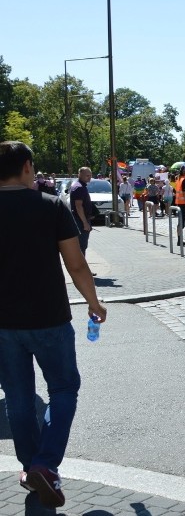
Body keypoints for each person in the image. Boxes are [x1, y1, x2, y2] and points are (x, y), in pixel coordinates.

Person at [0, 141, 107, 508]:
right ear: (28, 167)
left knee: (17, 400)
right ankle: (45, 465)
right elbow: (76, 265)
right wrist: (94, 302)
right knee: (63, 390)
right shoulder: (50, 206)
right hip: (49, 317)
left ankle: (32, 467)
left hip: (3, 324)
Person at [68, 167, 94, 256]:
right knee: (81, 246)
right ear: (80, 175)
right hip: (80, 221)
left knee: (82, 246)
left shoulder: (79, 186)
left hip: (80, 220)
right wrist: (85, 223)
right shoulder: (79, 187)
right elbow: (78, 206)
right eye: (87, 175)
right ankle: (82, 267)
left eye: (90, 175)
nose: (89, 177)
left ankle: (81, 266)